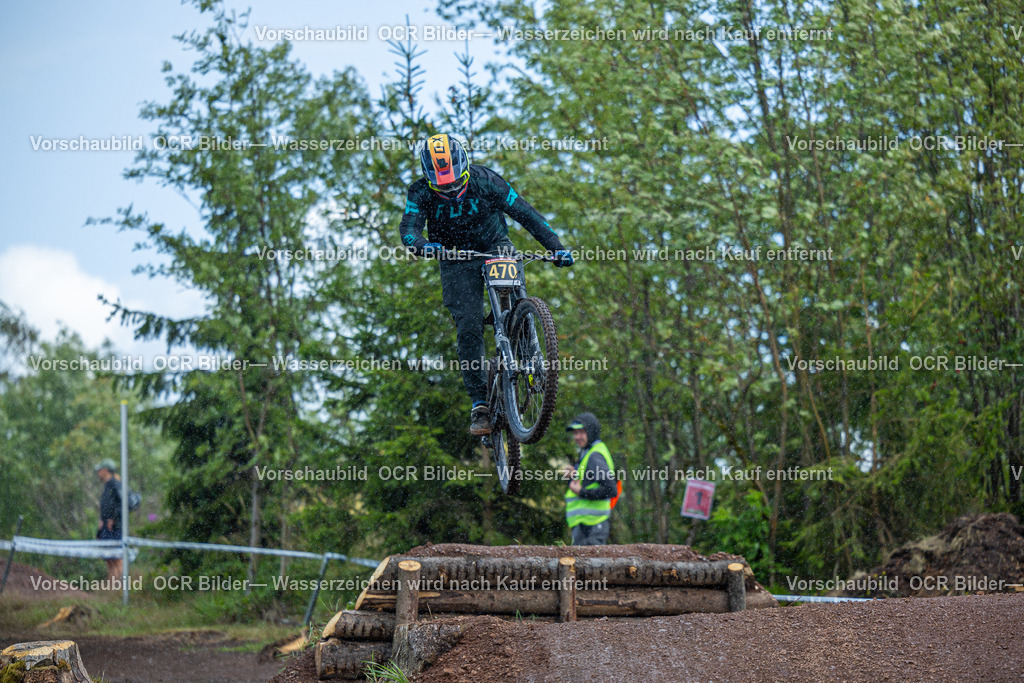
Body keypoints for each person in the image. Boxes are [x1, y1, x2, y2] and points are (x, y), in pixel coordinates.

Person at [399, 133, 575, 435]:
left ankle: (522, 336)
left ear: (465, 169)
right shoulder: (419, 193)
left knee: (512, 293)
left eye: (456, 183)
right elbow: (409, 228)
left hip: (494, 245)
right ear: (430, 180)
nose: (451, 190)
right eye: (443, 186)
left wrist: (555, 246)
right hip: (454, 257)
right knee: (468, 325)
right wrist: (423, 245)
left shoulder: (487, 181)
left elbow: (526, 213)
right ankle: (480, 402)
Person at [563, 413, 617, 545]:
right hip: (586, 526)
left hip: (592, 526)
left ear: (591, 432)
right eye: (575, 433)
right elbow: (589, 482)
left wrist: (581, 492)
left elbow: (611, 490)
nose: (577, 437)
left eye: (581, 432)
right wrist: (574, 475)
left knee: (590, 565)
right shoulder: (588, 451)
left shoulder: (594, 456)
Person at [94, 459, 123, 582]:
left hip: (114, 527)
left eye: (100, 470)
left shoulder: (115, 483)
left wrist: (113, 518)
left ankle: (118, 584)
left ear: (106, 470)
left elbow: (121, 503)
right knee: (107, 556)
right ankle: (111, 582)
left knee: (116, 556)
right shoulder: (107, 485)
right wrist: (102, 519)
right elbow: (106, 505)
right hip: (105, 526)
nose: (98, 473)